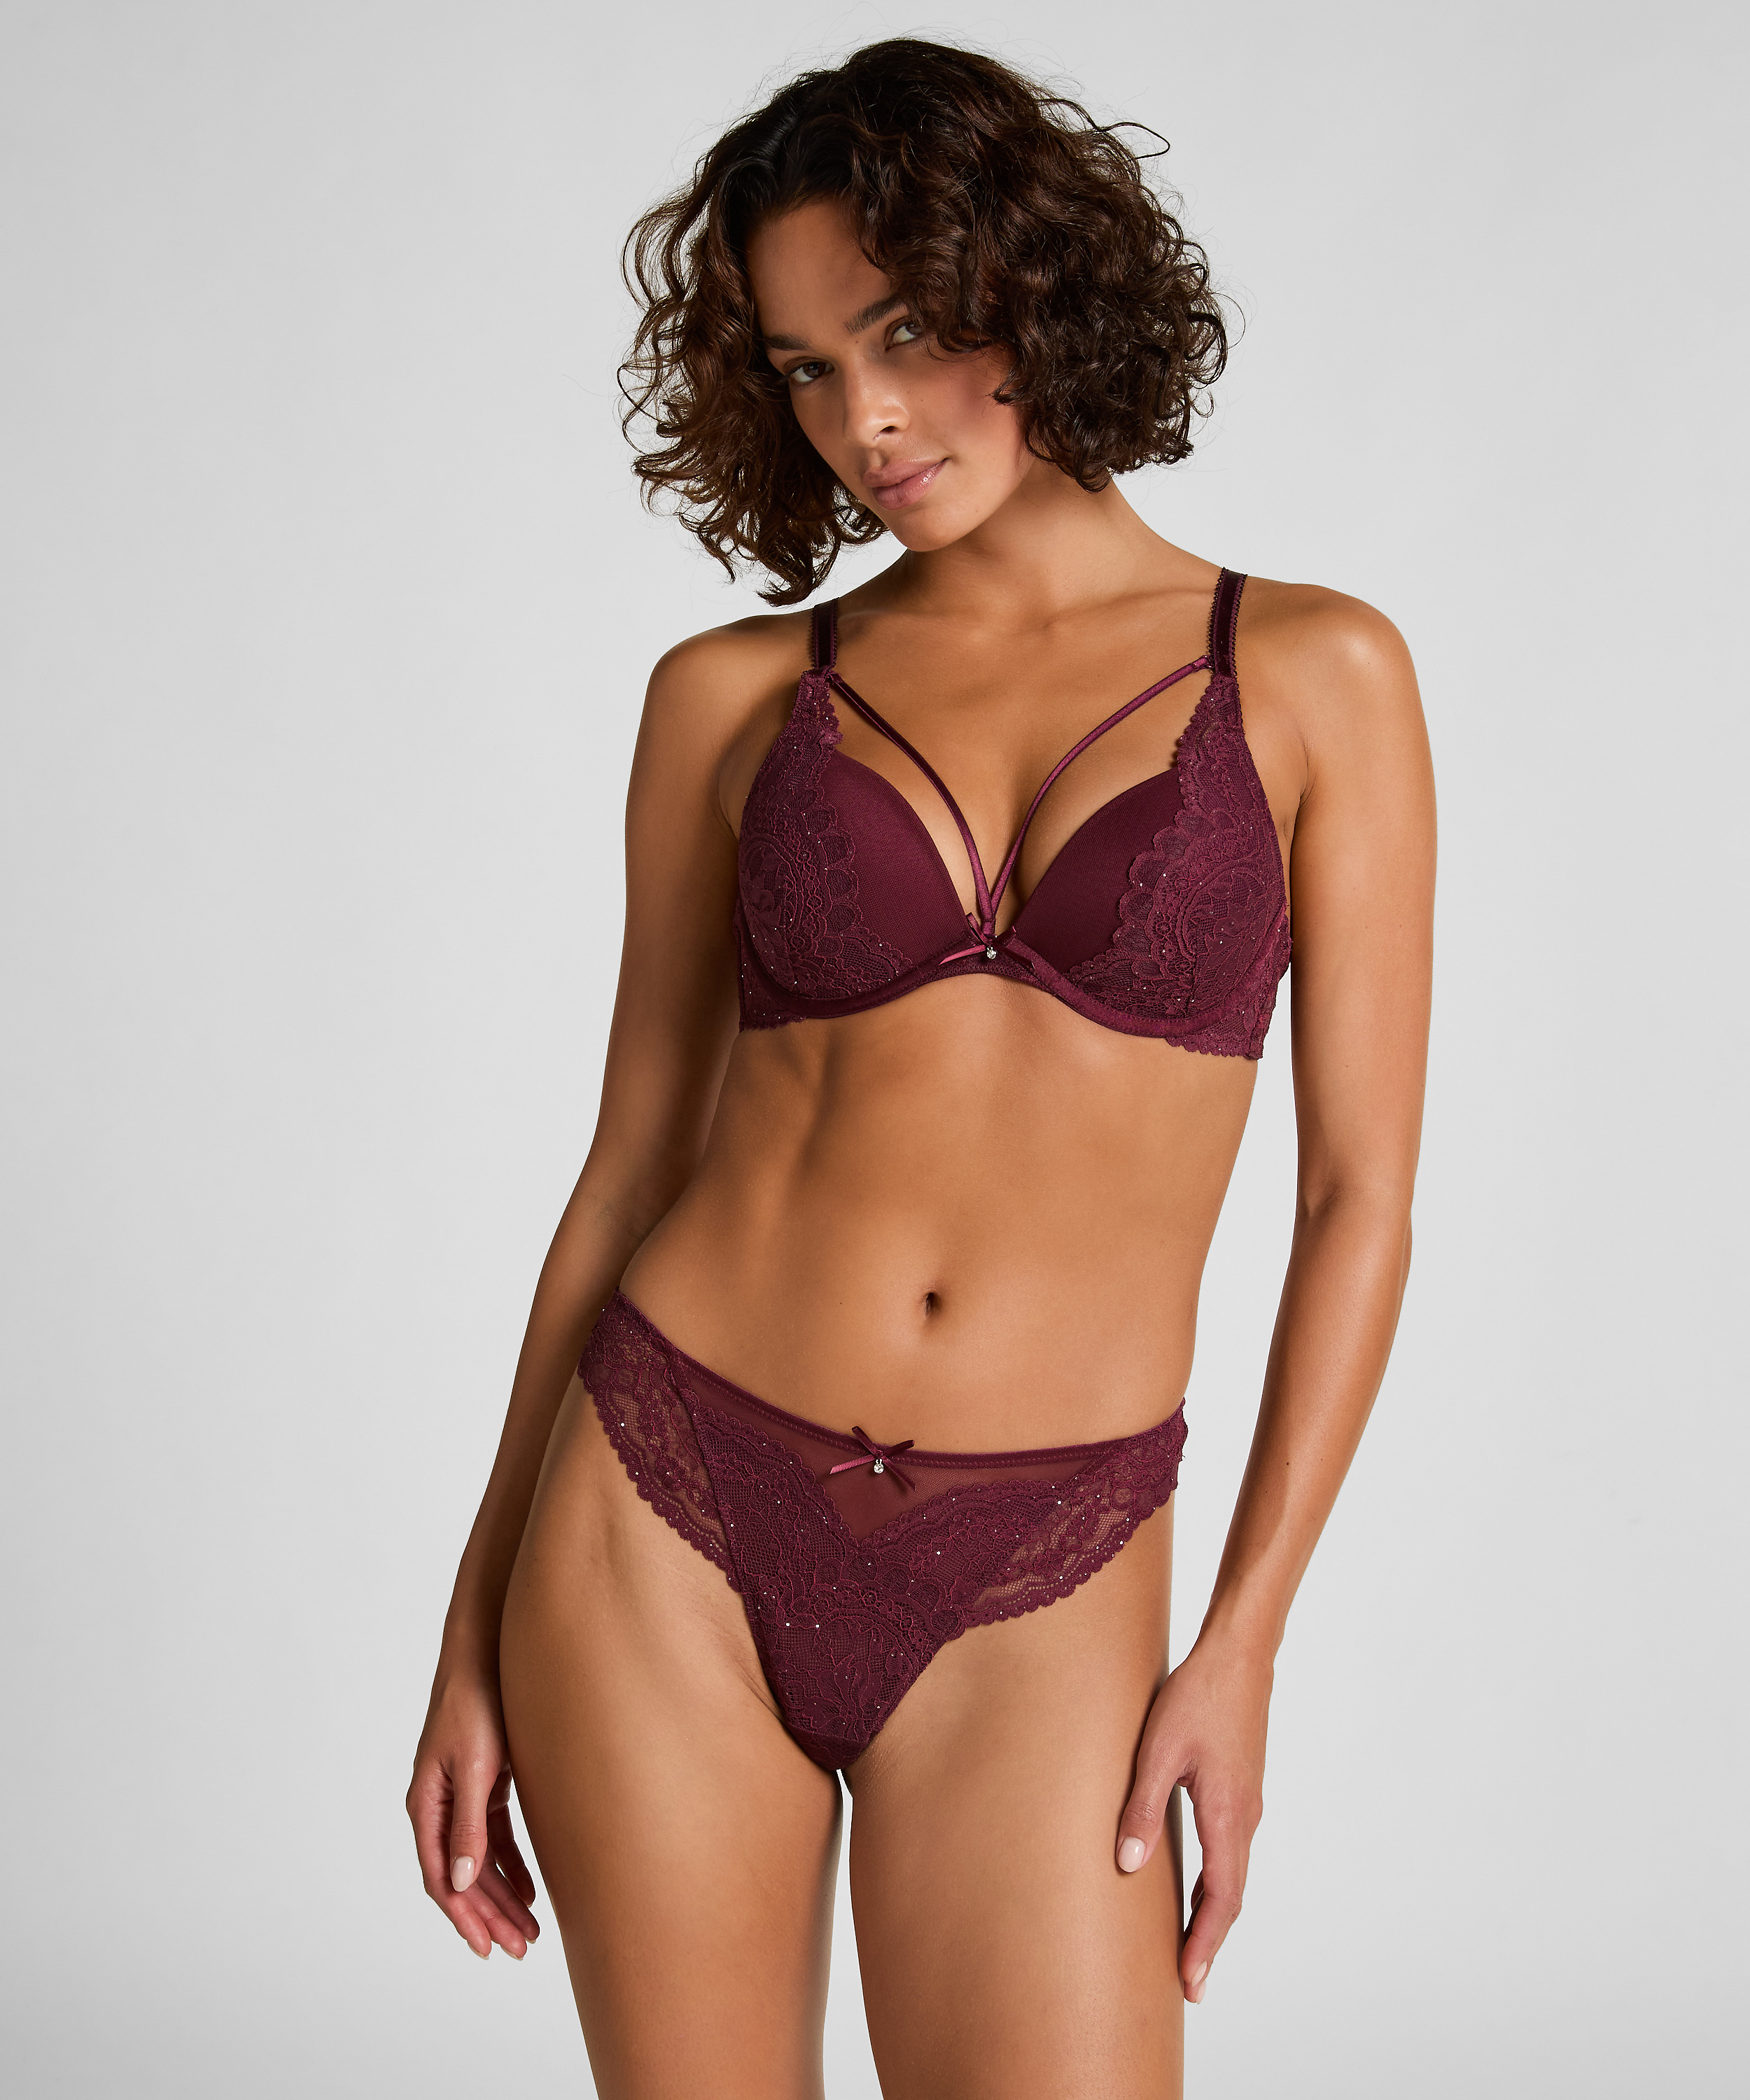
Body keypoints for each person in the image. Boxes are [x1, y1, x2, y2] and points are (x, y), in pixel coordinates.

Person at [407, 37, 1434, 2099]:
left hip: (1051, 1564)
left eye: (900, 331)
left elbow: (1357, 1202)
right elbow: (629, 1165)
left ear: (1031, 286)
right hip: (664, 1507)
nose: (862, 420)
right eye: (803, 369)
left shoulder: (1316, 672)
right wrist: (469, 1624)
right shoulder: (729, 698)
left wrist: (1241, 1642)